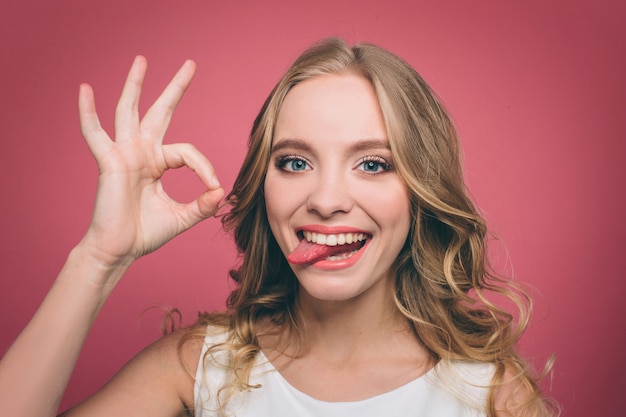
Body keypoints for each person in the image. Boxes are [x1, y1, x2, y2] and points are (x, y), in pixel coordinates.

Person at [0, 38, 557, 417]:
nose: (326, 200)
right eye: (294, 162)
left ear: (420, 191)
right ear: (264, 186)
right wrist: (100, 258)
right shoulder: (198, 366)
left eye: (373, 163)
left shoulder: (490, 395)